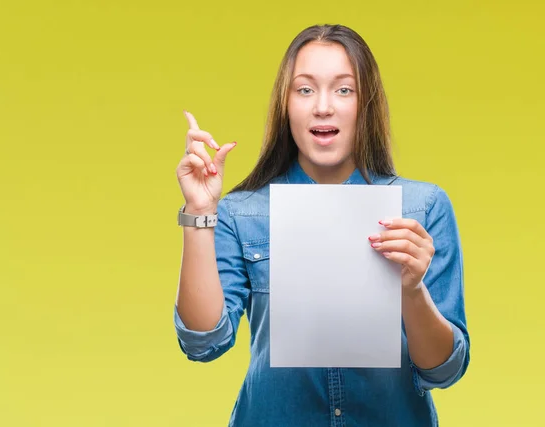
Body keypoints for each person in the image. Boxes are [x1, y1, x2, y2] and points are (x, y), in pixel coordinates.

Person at [174, 24, 470, 427]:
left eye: (343, 89)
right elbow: (204, 342)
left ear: (366, 103)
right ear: (286, 104)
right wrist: (198, 213)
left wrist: (412, 290)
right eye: (305, 89)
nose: (323, 106)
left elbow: (443, 370)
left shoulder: (422, 207)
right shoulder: (242, 212)